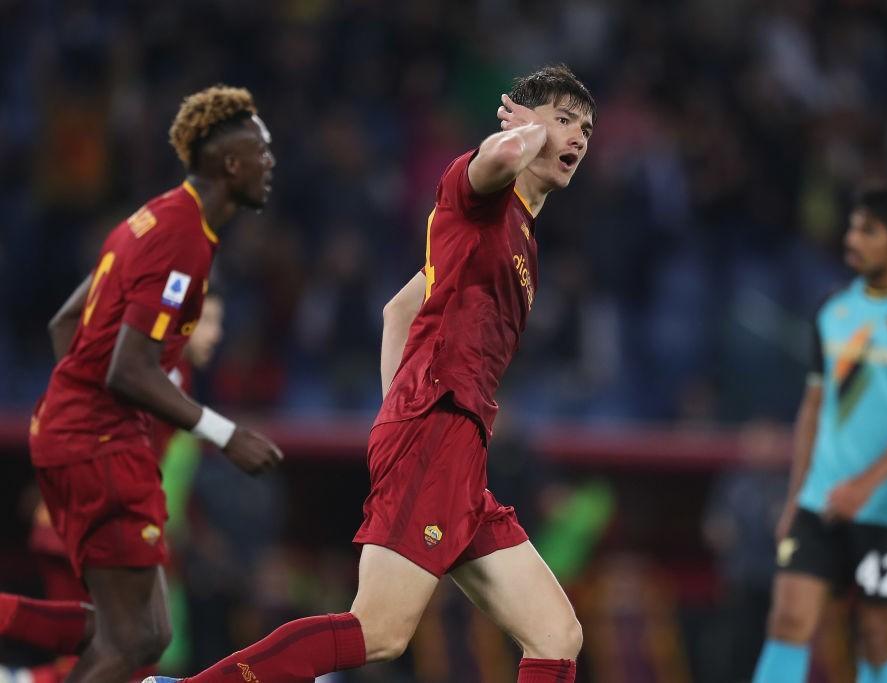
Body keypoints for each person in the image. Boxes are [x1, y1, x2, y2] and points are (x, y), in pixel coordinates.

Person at [146, 63, 595, 683]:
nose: (577, 138)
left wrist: (394, 414)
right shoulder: (483, 191)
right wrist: (520, 135)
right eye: (564, 120)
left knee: (556, 635)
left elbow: (399, 311)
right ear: (519, 121)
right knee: (379, 632)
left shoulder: (515, 236)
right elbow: (493, 160)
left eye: (586, 129)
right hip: (438, 433)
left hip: (454, 444)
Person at [0, 86, 283, 683]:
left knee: (142, 634)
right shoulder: (183, 240)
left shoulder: (149, 218)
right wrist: (225, 434)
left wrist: (72, 415)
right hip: (99, 448)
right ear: (230, 165)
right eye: (262, 152)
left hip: (82, 439)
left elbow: (66, 324)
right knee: (133, 640)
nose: (271, 163)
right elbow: (127, 368)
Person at [751, 186, 887, 683]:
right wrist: (796, 495)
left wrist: (864, 488)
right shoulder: (833, 309)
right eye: (852, 227)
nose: (852, 239)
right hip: (820, 503)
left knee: (876, 636)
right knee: (787, 620)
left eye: (868, 231)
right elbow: (814, 406)